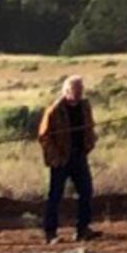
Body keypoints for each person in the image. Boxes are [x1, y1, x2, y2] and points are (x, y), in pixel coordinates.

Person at [38, 73, 99, 243]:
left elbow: (90, 127)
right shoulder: (54, 110)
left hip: (80, 155)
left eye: (81, 90)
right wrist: (55, 157)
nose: (79, 93)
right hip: (61, 159)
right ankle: (50, 234)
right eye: (75, 90)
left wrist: (90, 143)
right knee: (55, 195)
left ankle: (83, 229)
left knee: (86, 192)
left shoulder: (85, 106)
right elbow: (44, 136)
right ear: (66, 91)